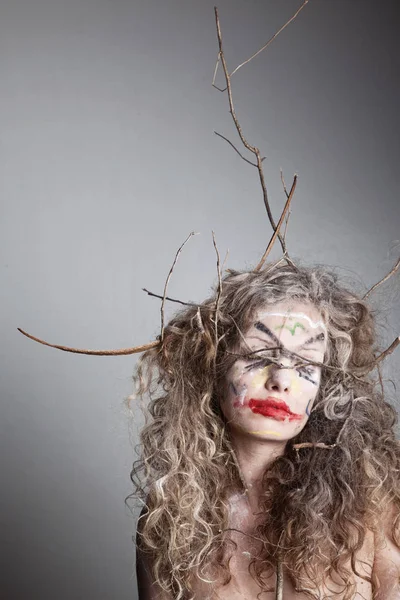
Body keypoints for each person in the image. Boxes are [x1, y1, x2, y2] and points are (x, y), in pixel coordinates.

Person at [129, 262, 400, 599]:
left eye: (305, 365)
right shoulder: (171, 517)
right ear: (212, 367)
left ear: (326, 386)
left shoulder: (376, 503)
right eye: (259, 356)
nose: (281, 381)